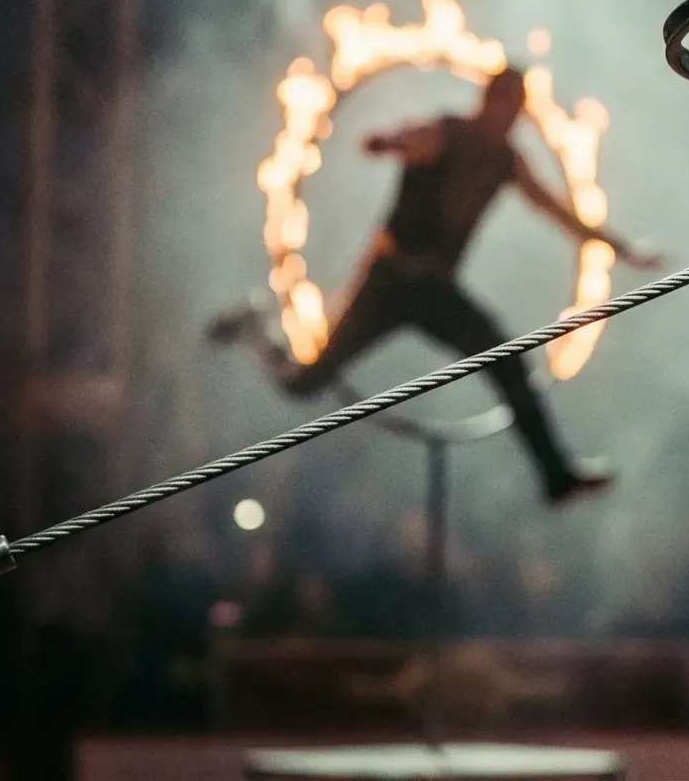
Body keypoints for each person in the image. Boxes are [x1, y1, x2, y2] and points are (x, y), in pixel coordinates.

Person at [215, 66, 657, 504]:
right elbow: (395, 139)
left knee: (509, 364)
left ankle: (556, 477)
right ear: (489, 101)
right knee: (304, 383)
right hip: (388, 285)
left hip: (436, 294)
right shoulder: (445, 133)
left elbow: (558, 211)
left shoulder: (505, 160)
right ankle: (254, 326)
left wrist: (621, 248)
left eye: (518, 111)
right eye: (508, 107)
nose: (511, 119)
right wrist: (390, 142)